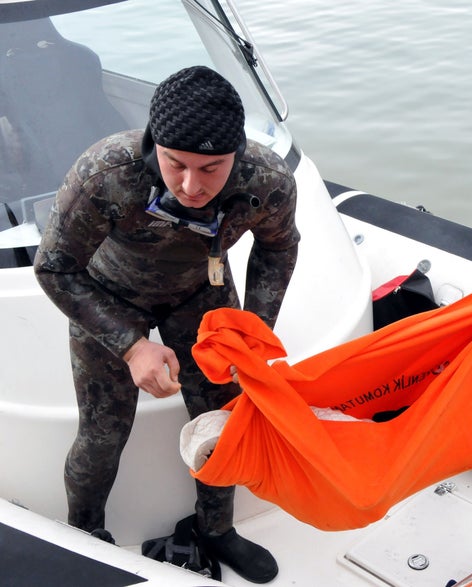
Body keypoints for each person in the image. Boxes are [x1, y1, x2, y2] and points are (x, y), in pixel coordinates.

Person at [34, 65, 300, 583]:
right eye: (176, 164)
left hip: (202, 293)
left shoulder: (266, 181)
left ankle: (215, 528)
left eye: (212, 169)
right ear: (154, 145)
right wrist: (132, 347)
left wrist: (253, 330)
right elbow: (54, 267)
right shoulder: (104, 173)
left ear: (237, 158)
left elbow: (279, 246)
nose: (190, 185)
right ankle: (86, 539)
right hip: (109, 296)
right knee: (101, 435)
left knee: (223, 423)